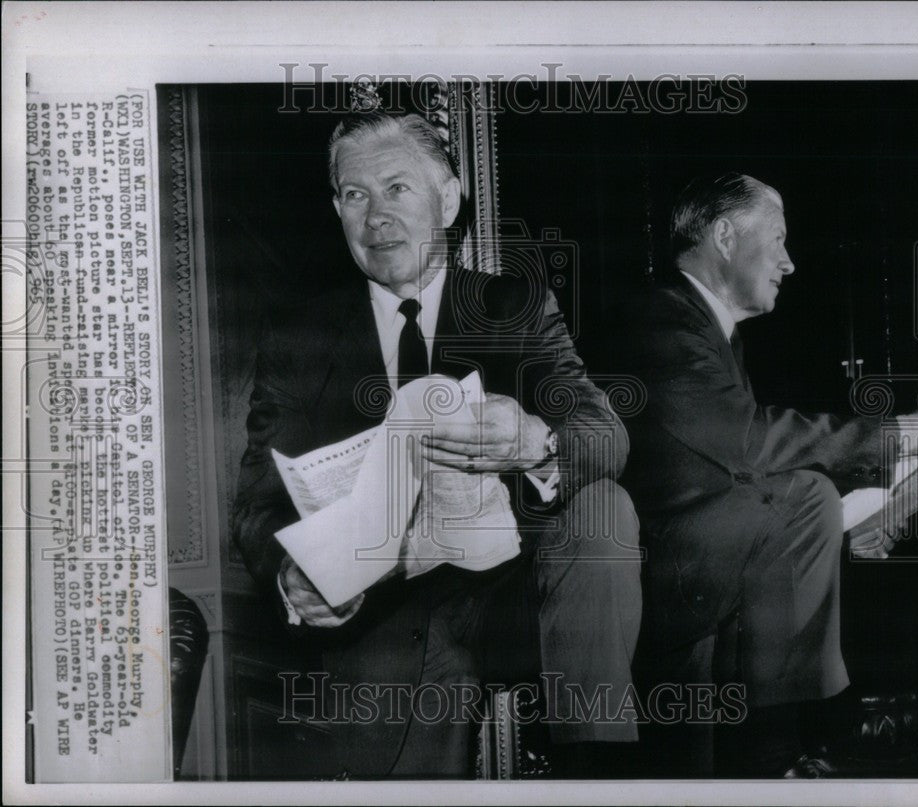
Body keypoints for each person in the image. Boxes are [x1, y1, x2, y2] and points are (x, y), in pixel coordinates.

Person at [231, 111, 641, 779]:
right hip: (380, 612)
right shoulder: (297, 337)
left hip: (521, 596)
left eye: (397, 189)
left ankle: (598, 776)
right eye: (355, 195)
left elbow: (605, 434)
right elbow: (258, 503)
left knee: (607, 510)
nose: (376, 217)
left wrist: (534, 441)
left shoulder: (516, 308)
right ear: (336, 208)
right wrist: (293, 573)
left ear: (446, 200)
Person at [623, 172, 918, 776]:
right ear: (726, 235)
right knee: (810, 492)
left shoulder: (711, 332)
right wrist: (907, 433)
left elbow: (734, 474)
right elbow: (749, 443)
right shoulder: (662, 320)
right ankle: (801, 740)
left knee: (815, 500)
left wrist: (856, 520)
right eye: (780, 240)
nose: (789, 263)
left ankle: (787, 749)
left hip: (705, 567)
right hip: (661, 576)